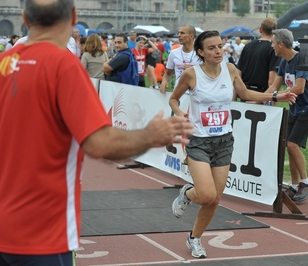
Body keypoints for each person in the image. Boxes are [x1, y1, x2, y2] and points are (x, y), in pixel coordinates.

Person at [0, 1, 193, 265]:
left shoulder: (3, 62)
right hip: (42, 231)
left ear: (24, 18)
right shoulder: (64, 66)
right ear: (74, 17)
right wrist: (151, 135)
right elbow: (100, 144)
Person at [169, 30, 296, 259]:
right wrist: (178, 112)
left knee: (216, 198)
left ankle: (194, 237)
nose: (218, 51)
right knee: (206, 194)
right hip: (199, 141)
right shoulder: (191, 75)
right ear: (201, 52)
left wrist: (276, 97)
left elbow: (245, 93)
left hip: (224, 141)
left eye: (220, 46)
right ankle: (187, 193)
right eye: (211, 48)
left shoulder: (230, 70)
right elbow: (173, 98)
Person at [265, 29, 308, 202]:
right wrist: (256, 99)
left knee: (292, 145)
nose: (272, 45)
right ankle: (295, 185)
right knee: (288, 146)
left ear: (281, 44)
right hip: (296, 109)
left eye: (273, 42)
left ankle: (305, 182)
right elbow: (274, 86)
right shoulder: (283, 62)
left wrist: (278, 95)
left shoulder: (301, 59)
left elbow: (299, 88)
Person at [236, 17, 280, 103]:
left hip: (245, 92)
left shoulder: (247, 46)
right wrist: (272, 102)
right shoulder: (273, 49)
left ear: (260, 29)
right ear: (275, 32)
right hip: (262, 95)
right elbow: (271, 81)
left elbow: (238, 73)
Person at [159, 25, 200, 94]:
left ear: (191, 36)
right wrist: (164, 81)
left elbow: (209, 74)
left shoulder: (201, 53)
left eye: (182, 33)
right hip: (178, 94)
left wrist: (193, 71)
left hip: (197, 94)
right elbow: (168, 73)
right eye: (178, 33)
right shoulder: (174, 53)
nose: (179, 35)